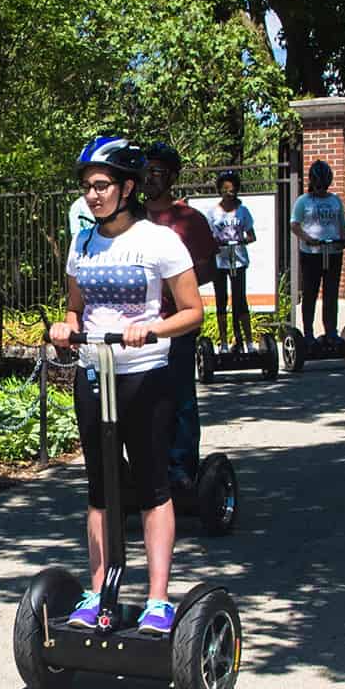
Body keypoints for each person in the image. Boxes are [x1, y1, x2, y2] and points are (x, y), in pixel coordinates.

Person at [49, 137, 203, 635]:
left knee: (154, 487)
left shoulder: (158, 241)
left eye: (102, 186)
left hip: (145, 374)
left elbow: (192, 312)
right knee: (100, 487)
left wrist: (152, 328)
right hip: (94, 371)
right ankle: (98, 592)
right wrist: (65, 327)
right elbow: (76, 307)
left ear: (127, 187)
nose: (93, 196)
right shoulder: (83, 242)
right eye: (88, 188)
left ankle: (158, 600)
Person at [142, 142, 217, 489]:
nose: (150, 178)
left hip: (175, 325)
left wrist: (174, 283)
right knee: (141, 404)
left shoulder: (189, 220)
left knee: (180, 399)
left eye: (157, 172)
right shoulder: (130, 219)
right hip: (135, 329)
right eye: (146, 171)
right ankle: (143, 471)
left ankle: (181, 470)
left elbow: (207, 270)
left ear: (172, 177)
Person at [292, 159, 345, 338]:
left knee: (331, 294)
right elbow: (294, 225)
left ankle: (331, 332)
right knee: (310, 293)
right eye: (317, 184)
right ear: (312, 182)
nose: (319, 188)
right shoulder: (303, 201)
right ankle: (308, 333)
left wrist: (344, 238)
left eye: (323, 184)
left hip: (333, 252)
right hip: (311, 253)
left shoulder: (335, 201)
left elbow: (342, 224)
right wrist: (308, 239)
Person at [207, 170, 257, 349]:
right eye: (226, 188)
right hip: (220, 262)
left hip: (239, 261)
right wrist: (216, 243)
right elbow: (208, 238)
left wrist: (242, 240)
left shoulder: (243, 211)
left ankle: (247, 341)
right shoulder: (212, 213)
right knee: (221, 301)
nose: (230, 192)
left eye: (233, 188)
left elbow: (252, 236)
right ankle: (223, 343)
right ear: (220, 190)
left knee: (240, 301)